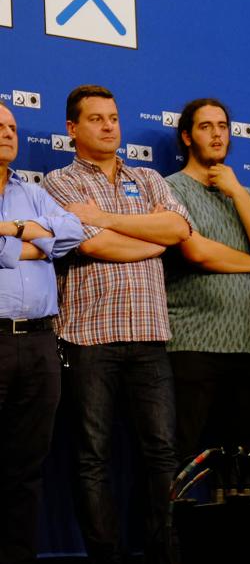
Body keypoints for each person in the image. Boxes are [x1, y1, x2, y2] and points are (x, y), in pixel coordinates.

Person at [42, 85, 192, 564]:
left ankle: (163, 552)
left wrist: (103, 218)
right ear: (72, 128)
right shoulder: (58, 183)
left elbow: (178, 229)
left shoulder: (148, 177)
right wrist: (150, 238)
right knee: (92, 457)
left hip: (150, 336)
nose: (109, 126)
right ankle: (104, 556)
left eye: (113, 117)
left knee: (162, 453)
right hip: (89, 338)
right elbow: (91, 244)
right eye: (96, 119)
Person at [163, 98, 250, 483]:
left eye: (222, 126)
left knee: (244, 466)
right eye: (205, 127)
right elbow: (197, 252)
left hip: (248, 345)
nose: (217, 134)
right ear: (187, 137)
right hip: (191, 344)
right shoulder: (169, 189)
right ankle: (170, 525)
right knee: (181, 459)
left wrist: (238, 192)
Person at [0, 103, 83, 564]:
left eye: (12, 127)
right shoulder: (34, 205)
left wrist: (9, 233)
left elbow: (72, 233)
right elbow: (51, 242)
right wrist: (31, 239)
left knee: (25, 467)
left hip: (38, 343)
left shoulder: (32, 192)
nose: (8, 133)